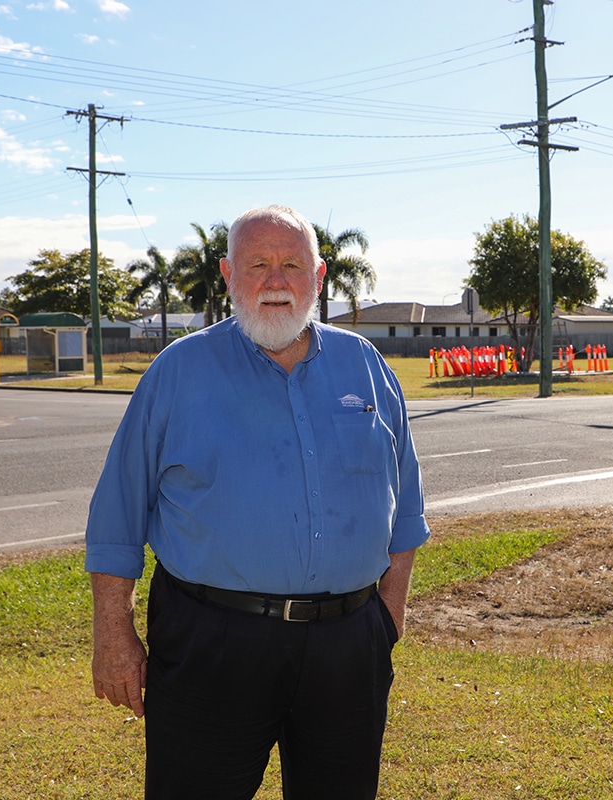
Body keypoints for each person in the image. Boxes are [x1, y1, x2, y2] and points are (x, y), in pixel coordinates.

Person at [84, 204, 429, 800]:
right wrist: (114, 634)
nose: (275, 281)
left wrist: (385, 623)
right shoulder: (178, 373)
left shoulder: (367, 368)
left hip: (348, 647)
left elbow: (405, 517)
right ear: (227, 274)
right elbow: (117, 514)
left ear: (318, 277)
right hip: (212, 644)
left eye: (292, 264)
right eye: (258, 264)